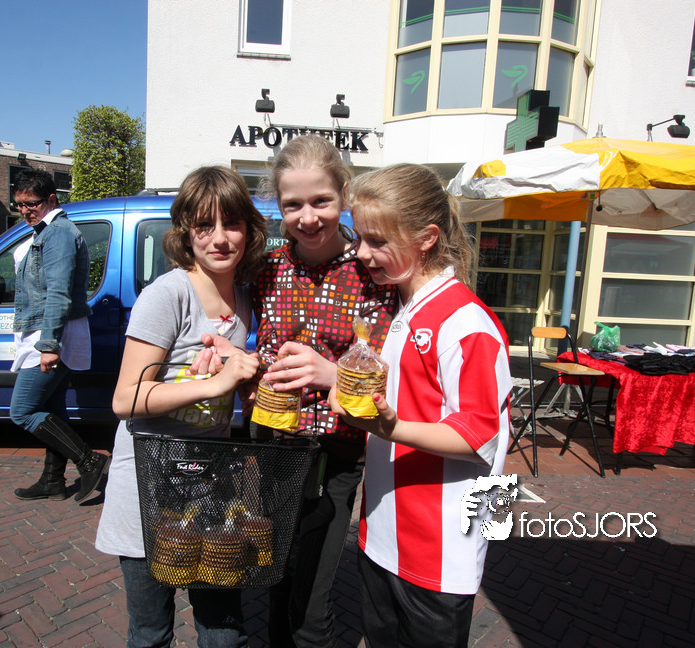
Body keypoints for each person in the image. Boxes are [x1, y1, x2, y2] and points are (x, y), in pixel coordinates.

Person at [196, 135, 397, 648]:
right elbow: (219, 300)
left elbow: (395, 370)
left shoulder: (372, 271)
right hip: (273, 443)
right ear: (278, 206)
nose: (307, 217)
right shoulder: (265, 269)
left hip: (338, 450)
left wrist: (332, 374)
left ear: (344, 194)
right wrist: (237, 364)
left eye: (321, 201)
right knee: (278, 572)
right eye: (293, 205)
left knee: (310, 600)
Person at [329, 163, 513, 648]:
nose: (360, 252)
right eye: (358, 237)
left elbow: (480, 436)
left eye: (376, 240)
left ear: (427, 238)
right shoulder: (403, 307)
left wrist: (388, 428)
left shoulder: (465, 322)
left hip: (439, 548)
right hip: (383, 534)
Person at [95, 166, 267, 648]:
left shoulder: (244, 298)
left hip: (211, 486)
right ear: (185, 232)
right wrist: (215, 384)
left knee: (224, 631)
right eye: (204, 226)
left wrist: (249, 386)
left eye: (232, 224)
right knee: (151, 632)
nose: (219, 238)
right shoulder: (167, 295)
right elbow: (126, 398)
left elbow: (234, 386)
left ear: (249, 230)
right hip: (149, 487)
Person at [8, 169, 108, 503]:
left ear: (51, 199)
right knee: (53, 407)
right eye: (19, 204)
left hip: (52, 333)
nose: (25, 211)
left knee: (23, 411)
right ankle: (52, 480)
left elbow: (58, 294)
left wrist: (49, 345)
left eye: (32, 204)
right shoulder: (45, 232)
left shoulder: (58, 234)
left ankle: (90, 461)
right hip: (50, 331)